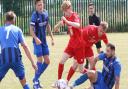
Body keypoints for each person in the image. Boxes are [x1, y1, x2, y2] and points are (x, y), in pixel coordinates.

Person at [0, 11, 37, 89]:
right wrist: (33, 62)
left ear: (5, 20)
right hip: (16, 58)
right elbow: (25, 46)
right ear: (14, 20)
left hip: (4, 58)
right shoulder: (17, 30)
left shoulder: (0, 30)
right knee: (23, 82)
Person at [53, 0, 85, 85]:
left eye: (65, 11)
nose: (65, 13)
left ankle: (94, 73)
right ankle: (60, 82)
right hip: (71, 44)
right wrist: (57, 26)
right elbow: (58, 26)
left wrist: (67, 22)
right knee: (61, 61)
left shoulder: (75, 15)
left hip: (79, 45)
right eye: (63, 12)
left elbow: (78, 25)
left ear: (69, 8)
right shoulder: (66, 17)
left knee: (81, 70)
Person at [30, 0, 54, 88]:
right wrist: (36, 38)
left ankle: (36, 78)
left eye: (42, 4)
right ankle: (36, 82)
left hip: (44, 42)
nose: (41, 6)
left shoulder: (46, 13)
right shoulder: (34, 15)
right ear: (36, 6)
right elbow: (31, 30)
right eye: (39, 5)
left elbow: (48, 26)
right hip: (37, 42)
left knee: (47, 61)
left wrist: (52, 37)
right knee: (39, 60)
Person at [85, 3, 101, 69]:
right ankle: (86, 64)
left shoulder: (97, 17)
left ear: (94, 9)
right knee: (87, 48)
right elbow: (90, 26)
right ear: (88, 9)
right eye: (90, 8)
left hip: (97, 37)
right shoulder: (89, 17)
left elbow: (100, 27)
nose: (91, 10)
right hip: (91, 37)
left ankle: (106, 59)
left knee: (98, 51)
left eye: (92, 8)